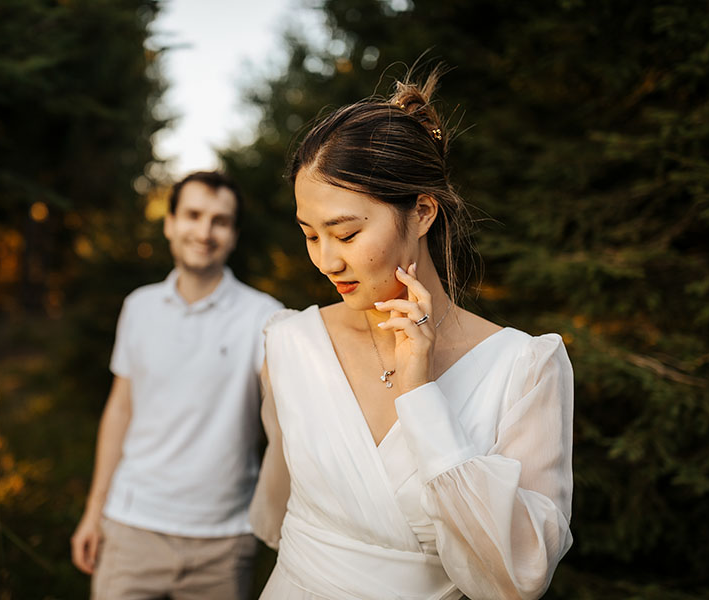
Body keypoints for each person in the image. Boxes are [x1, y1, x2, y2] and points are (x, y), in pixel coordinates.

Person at [249, 68, 574, 599]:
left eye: (347, 233)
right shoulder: (289, 343)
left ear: (422, 212)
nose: (326, 259)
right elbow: (280, 490)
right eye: (310, 234)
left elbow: (524, 572)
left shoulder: (525, 368)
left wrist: (421, 396)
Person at [71, 171, 283, 600]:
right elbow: (120, 410)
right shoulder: (138, 306)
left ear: (234, 234)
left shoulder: (266, 317)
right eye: (193, 215)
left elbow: (284, 423)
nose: (205, 231)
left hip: (223, 542)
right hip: (131, 528)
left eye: (220, 221)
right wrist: (93, 511)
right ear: (169, 223)